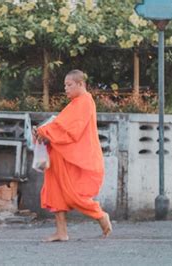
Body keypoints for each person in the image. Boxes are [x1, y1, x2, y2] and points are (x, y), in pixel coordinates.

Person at [33, 69, 112, 242]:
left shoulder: (84, 102)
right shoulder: (75, 103)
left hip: (74, 157)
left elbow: (70, 129)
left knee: (73, 194)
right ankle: (61, 232)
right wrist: (43, 133)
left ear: (80, 84)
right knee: (55, 192)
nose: (66, 89)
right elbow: (61, 125)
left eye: (69, 85)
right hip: (60, 154)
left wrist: (45, 131)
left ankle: (100, 215)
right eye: (65, 85)